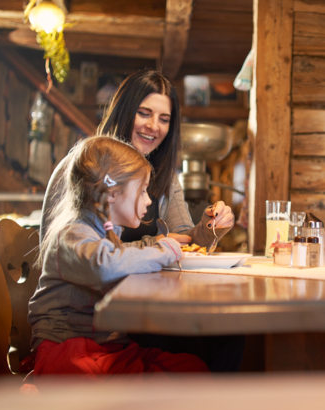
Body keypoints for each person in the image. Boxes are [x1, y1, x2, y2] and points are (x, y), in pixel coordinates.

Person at [40, 69, 244, 372]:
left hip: (129, 317)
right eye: (144, 113)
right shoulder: (83, 170)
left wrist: (211, 227)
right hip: (92, 319)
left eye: (164, 119)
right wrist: (161, 248)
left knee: (228, 336)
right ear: (124, 111)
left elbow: (184, 240)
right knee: (205, 349)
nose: (153, 126)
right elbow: (68, 251)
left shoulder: (164, 175)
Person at [29, 136, 209, 376]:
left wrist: (156, 244)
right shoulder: (72, 234)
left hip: (108, 346)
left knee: (192, 368)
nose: (148, 200)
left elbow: (121, 255)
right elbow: (106, 265)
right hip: (67, 348)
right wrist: (163, 251)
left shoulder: (104, 233)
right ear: (112, 193)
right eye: (143, 191)